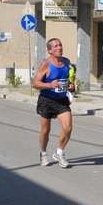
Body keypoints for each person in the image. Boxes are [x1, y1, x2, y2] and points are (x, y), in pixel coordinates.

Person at [32, 38, 74, 168]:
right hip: (47, 100)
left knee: (68, 128)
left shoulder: (66, 62)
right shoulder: (46, 64)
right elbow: (35, 83)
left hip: (61, 100)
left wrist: (70, 86)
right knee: (45, 130)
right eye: (56, 46)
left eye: (60, 45)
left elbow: (66, 80)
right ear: (49, 50)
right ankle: (43, 153)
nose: (59, 48)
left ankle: (59, 153)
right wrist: (50, 84)